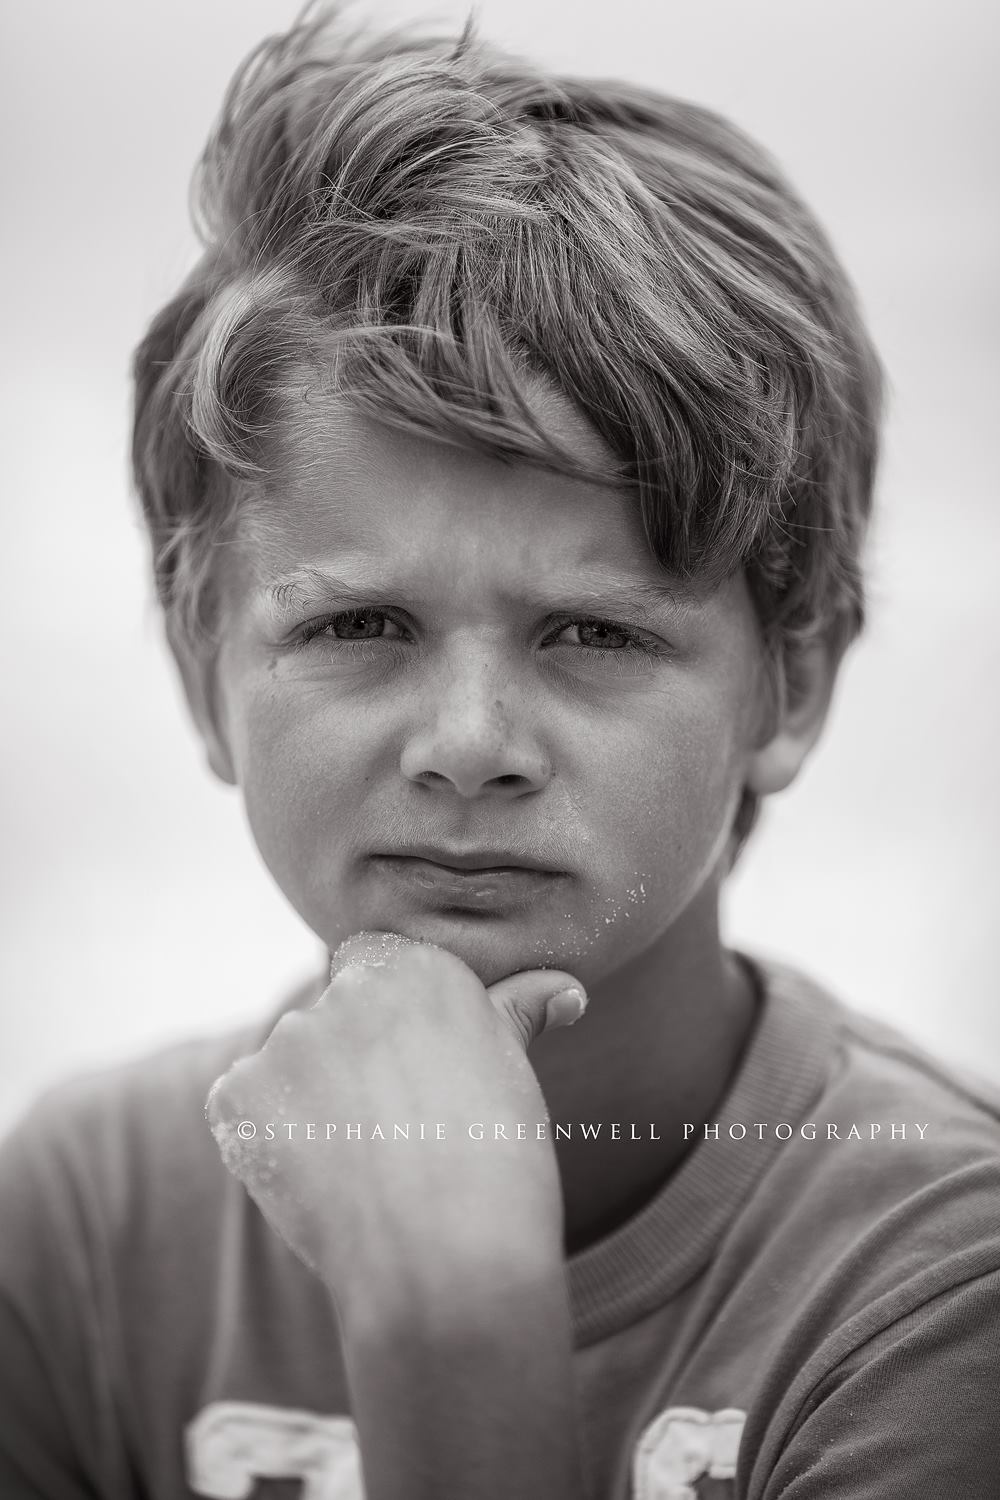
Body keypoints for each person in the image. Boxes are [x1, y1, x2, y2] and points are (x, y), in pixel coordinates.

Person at [2, 5, 998, 1497]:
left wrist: (452, 1326)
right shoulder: (84, 1226)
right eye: (359, 626)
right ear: (202, 672)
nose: (469, 747)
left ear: (789, 687)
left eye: (594, 634)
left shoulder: (936, 1283)